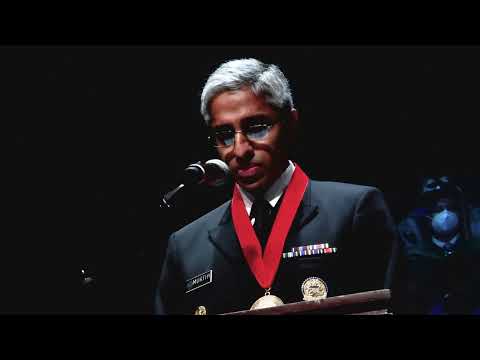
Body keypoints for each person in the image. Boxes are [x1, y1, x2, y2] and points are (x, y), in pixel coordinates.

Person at [155, 58, 399, 315]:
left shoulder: (354, 211)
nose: (240, 150)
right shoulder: (184, 246)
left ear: (291, 123)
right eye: (225, 135)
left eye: (257, 128)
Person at [395, 176, 480, 314]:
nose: (445, 214)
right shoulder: (415, 255)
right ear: (428, 217)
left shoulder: (474, 251)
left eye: (450, 208)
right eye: (439, 209)